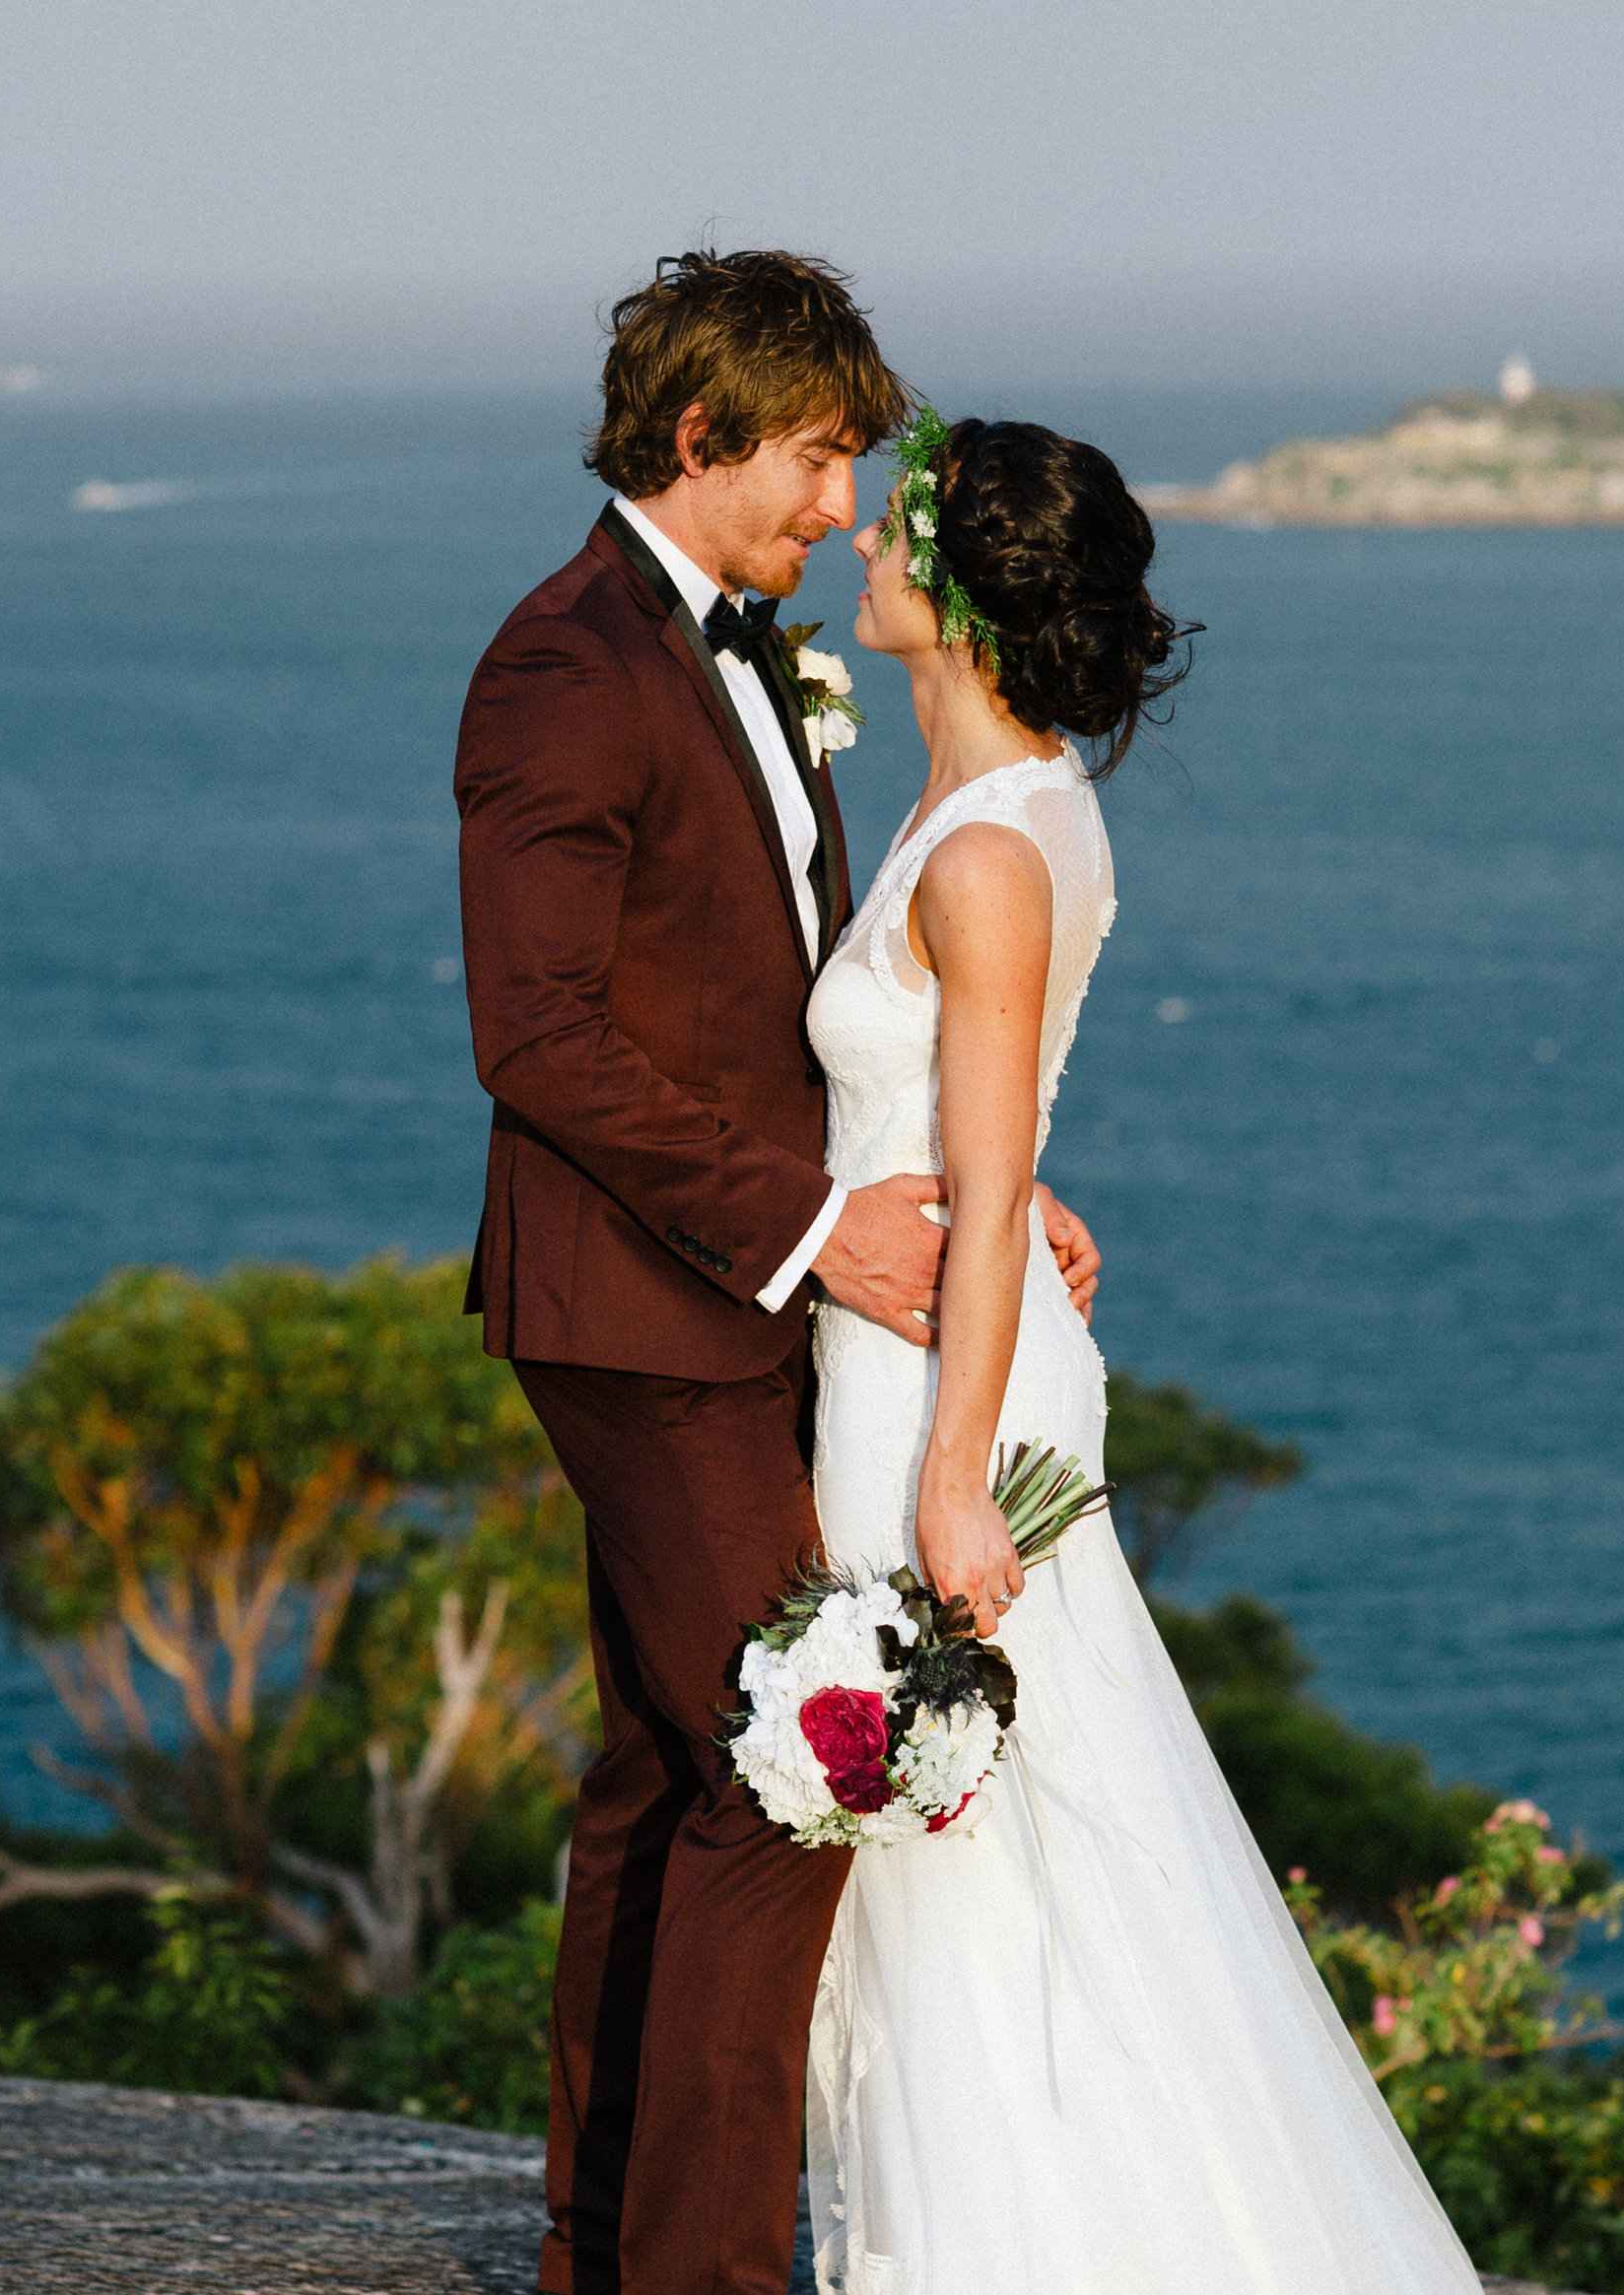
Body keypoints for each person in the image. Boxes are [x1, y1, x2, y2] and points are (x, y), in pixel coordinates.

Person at [452, 249, 1100, 2295]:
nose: (843, 508)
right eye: (820, 459)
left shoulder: (738, 649)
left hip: (767, 1304)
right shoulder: (563, 668)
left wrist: (974, 1183)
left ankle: (597, 2244)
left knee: (665, 1772)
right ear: (701, 433)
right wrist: (829, 1229)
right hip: (643, 1312)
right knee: (787, 1769)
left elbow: (797, 1008)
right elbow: (537, 1033)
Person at [796, 413, 1485, 2293]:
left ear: (962, 598)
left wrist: (949, 1482)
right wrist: (1001, 1204)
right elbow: (975, 1133)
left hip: (942, 1389)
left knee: (976, 1864)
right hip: (940, 1331)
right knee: (976, 1850)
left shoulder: (993, 855)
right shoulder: (999, 815)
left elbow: (989, 1149)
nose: (863, 543)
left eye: (903, 533)